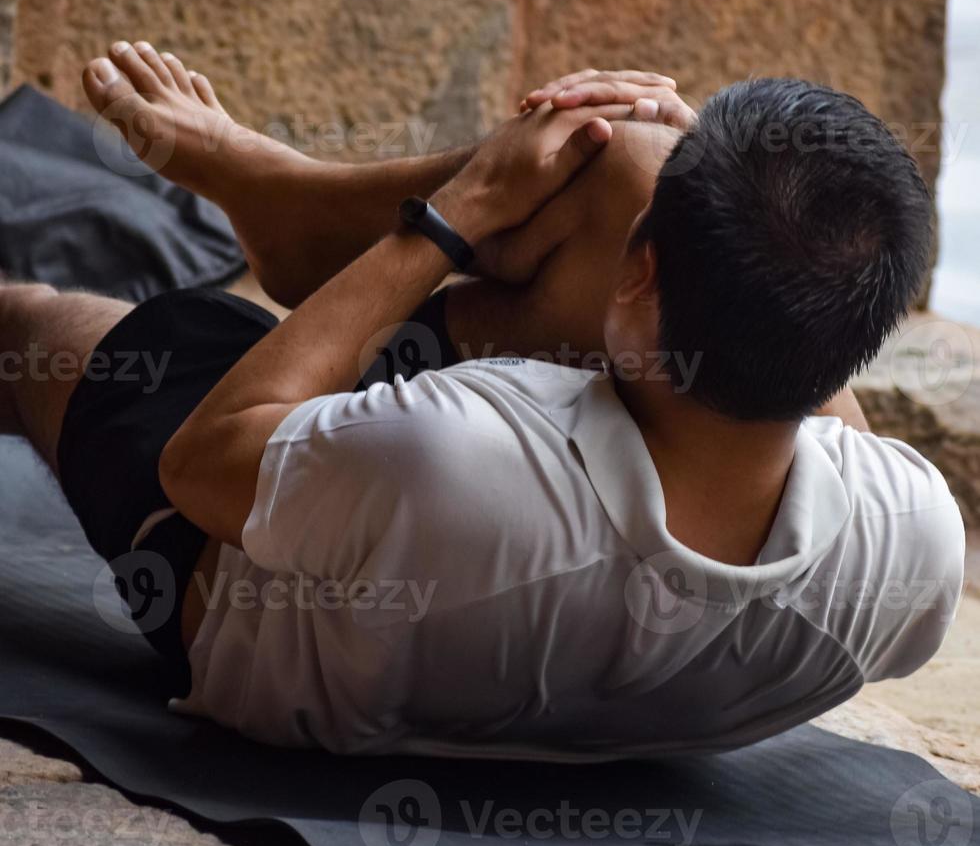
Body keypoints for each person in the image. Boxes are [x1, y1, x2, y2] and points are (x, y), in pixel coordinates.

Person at [0, 41, 963, 759]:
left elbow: (204, 463)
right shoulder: (916, 537)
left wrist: (463, 207)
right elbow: (823, 392)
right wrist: (712, 175)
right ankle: (288, 197)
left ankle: (312, 223)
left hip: (258, 590)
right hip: (492, 565)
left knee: (31, 327)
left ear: (642, 278)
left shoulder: (457, 461)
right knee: (633, 163)